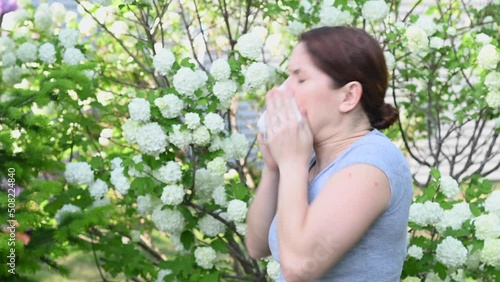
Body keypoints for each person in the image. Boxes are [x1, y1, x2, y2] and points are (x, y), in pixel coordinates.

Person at [245, 26, 414, 282]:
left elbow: (299, 267)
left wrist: (291, 163)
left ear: (348, 96)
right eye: (288, 77)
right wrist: (274, 168)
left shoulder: (372, 163)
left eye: (300, 79)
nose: (282, 91)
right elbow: (257, 247)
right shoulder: (311, 159)